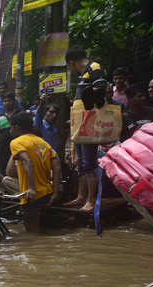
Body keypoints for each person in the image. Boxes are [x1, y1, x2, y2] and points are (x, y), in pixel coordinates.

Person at [65, 47, 106, 209]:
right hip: (81, 123)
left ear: (72, 62)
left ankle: (91, 200)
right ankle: (81, 197)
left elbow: (100, 91)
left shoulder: (94, 67)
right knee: (81, 162)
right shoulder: (84, 74)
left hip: (90, 123)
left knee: (89, 162)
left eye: (70, 66)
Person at [7, 111, 61, 232]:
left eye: (11, 126)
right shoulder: (44, 143)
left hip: (31, 197)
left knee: (32, 236)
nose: (10, 130)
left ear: (17, 127)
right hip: (47, 193)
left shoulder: (16, 142)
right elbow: (57, 167)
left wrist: (31, 188)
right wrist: (56, 192)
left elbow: (26, 161)